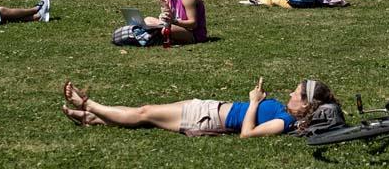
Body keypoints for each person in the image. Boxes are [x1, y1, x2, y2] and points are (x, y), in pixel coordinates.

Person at [61, 78, 342, 138]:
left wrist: (255, 101)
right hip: (209, 107)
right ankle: (90, 118)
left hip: (206, 118)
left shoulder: (286, 122)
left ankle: (88, 104)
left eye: (296, 92)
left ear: (305, 103)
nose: (291, 92)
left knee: (145, 113)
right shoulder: (286, 112)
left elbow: (247, 134)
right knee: (145, 115)